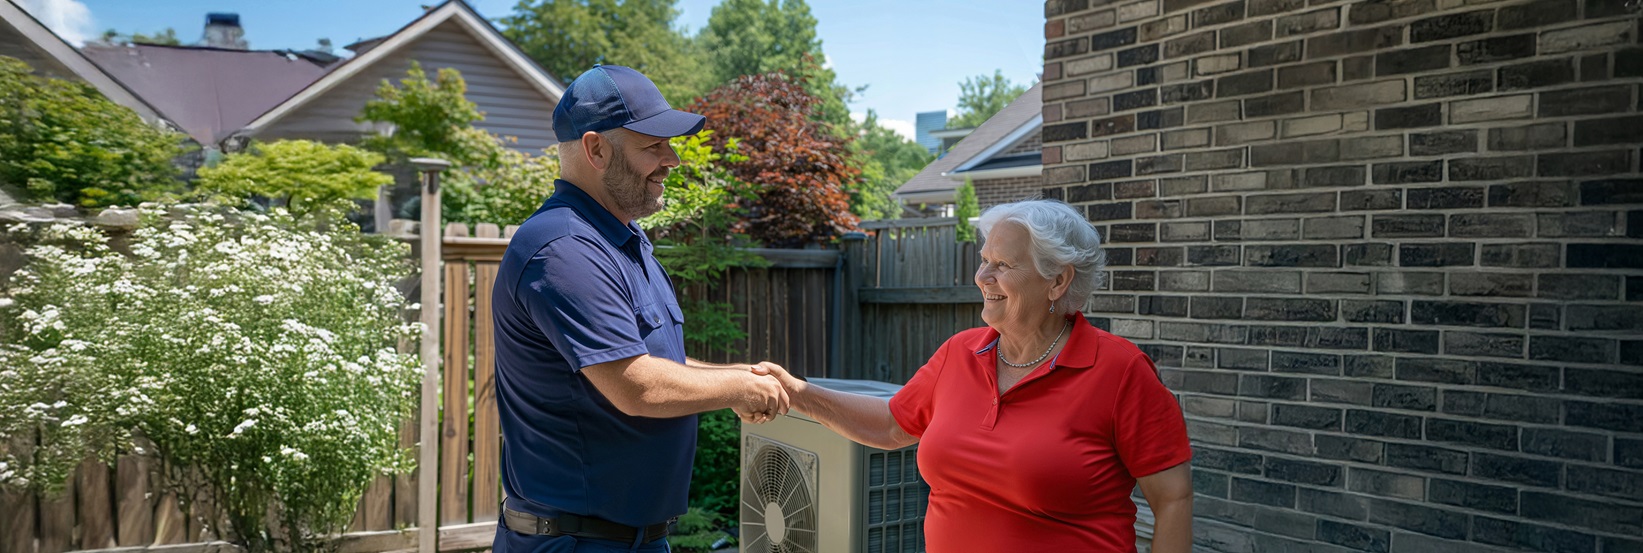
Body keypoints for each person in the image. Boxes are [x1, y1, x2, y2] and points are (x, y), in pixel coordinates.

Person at [755, 199, 1194, 552]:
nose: (983, 276)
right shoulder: (960, 352)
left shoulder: (1119, 370)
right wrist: (798, 392)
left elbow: (1173, 498)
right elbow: (891, 424)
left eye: (1002, 264)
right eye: (984, 260)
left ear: (1058, 281)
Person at [491, 65, 789, 553]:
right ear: (596, 149)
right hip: (577, 542)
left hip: (629, 539)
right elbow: (636, 384)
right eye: (653, 145)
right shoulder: (565, 248)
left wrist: (736, 376)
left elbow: (652, 360)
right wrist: (738, 387)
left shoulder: (621, 242)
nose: (672, 160)